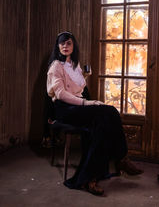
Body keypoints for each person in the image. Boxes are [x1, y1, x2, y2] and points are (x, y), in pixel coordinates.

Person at [47, 31, 143, 196]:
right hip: (64, 109)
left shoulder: (76, 66)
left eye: (68, 43)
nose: (65, 46)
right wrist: (86, 102)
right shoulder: (56, 66)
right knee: (104, 115)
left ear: (73, 46)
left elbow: (78, 89)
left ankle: (91, 177)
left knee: (107, 116)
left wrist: (84, 85)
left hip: (76, 106)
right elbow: (62, 94)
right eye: (62, 43)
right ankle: (120, 159)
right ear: (57, 46)